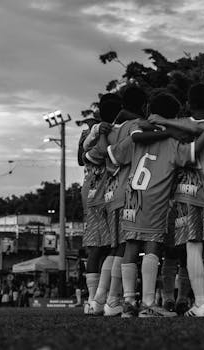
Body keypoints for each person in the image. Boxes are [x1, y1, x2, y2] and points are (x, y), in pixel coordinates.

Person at [106, 92, 204, 317]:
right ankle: (148, 304)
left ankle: (128, 302)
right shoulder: (170, 141)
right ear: (175, 115)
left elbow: (115, 155)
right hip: (155, 197)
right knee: (152, 246)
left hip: (133, 195)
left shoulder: (136, 135)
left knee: (131, 244)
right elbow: (192, 153)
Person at [84, 87, 149, 317]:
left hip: (109, 195)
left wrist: (96, 134)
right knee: (124, 247)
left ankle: (99, 299)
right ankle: (111, 300)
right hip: (127, 193)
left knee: (113, 249)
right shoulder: (134, 126)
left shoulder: (107, 131)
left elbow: (88, 156)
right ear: (143, 106)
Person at [80, 93, 117, 315]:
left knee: (96, 248)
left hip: (92, 192)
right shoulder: (118, 131)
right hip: (110, 193)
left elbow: (81, 156)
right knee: (114, 247)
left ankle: (94, 300)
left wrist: (92, 132)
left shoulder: (91, 131)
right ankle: (104, 297)